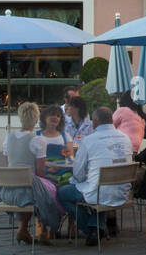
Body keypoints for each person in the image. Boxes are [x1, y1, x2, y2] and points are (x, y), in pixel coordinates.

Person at [57, 106, 134, 247]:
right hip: (122, 191)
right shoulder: (126, 138)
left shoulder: (89, 140)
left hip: (99, 192)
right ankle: (96, 226)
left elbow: (78, 174)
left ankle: (90, 229)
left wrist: (84, 179)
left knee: (63, 193)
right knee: (100, 187)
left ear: (96, 121)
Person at [0, 100, 64, 244]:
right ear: (36, 119)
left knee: (37, 186)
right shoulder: (37, 141)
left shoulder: (8, 137)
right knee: (50, 188)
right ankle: (44, 230)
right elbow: (40, 171)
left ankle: (23, 228)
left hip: (7, 188)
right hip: (27, 188)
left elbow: (9, 162)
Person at [113, 89, 146, 153]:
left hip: (123, 148)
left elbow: (109, 126)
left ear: (124, 100)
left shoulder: (122, 110)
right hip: (140, 149)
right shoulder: (145, 117)